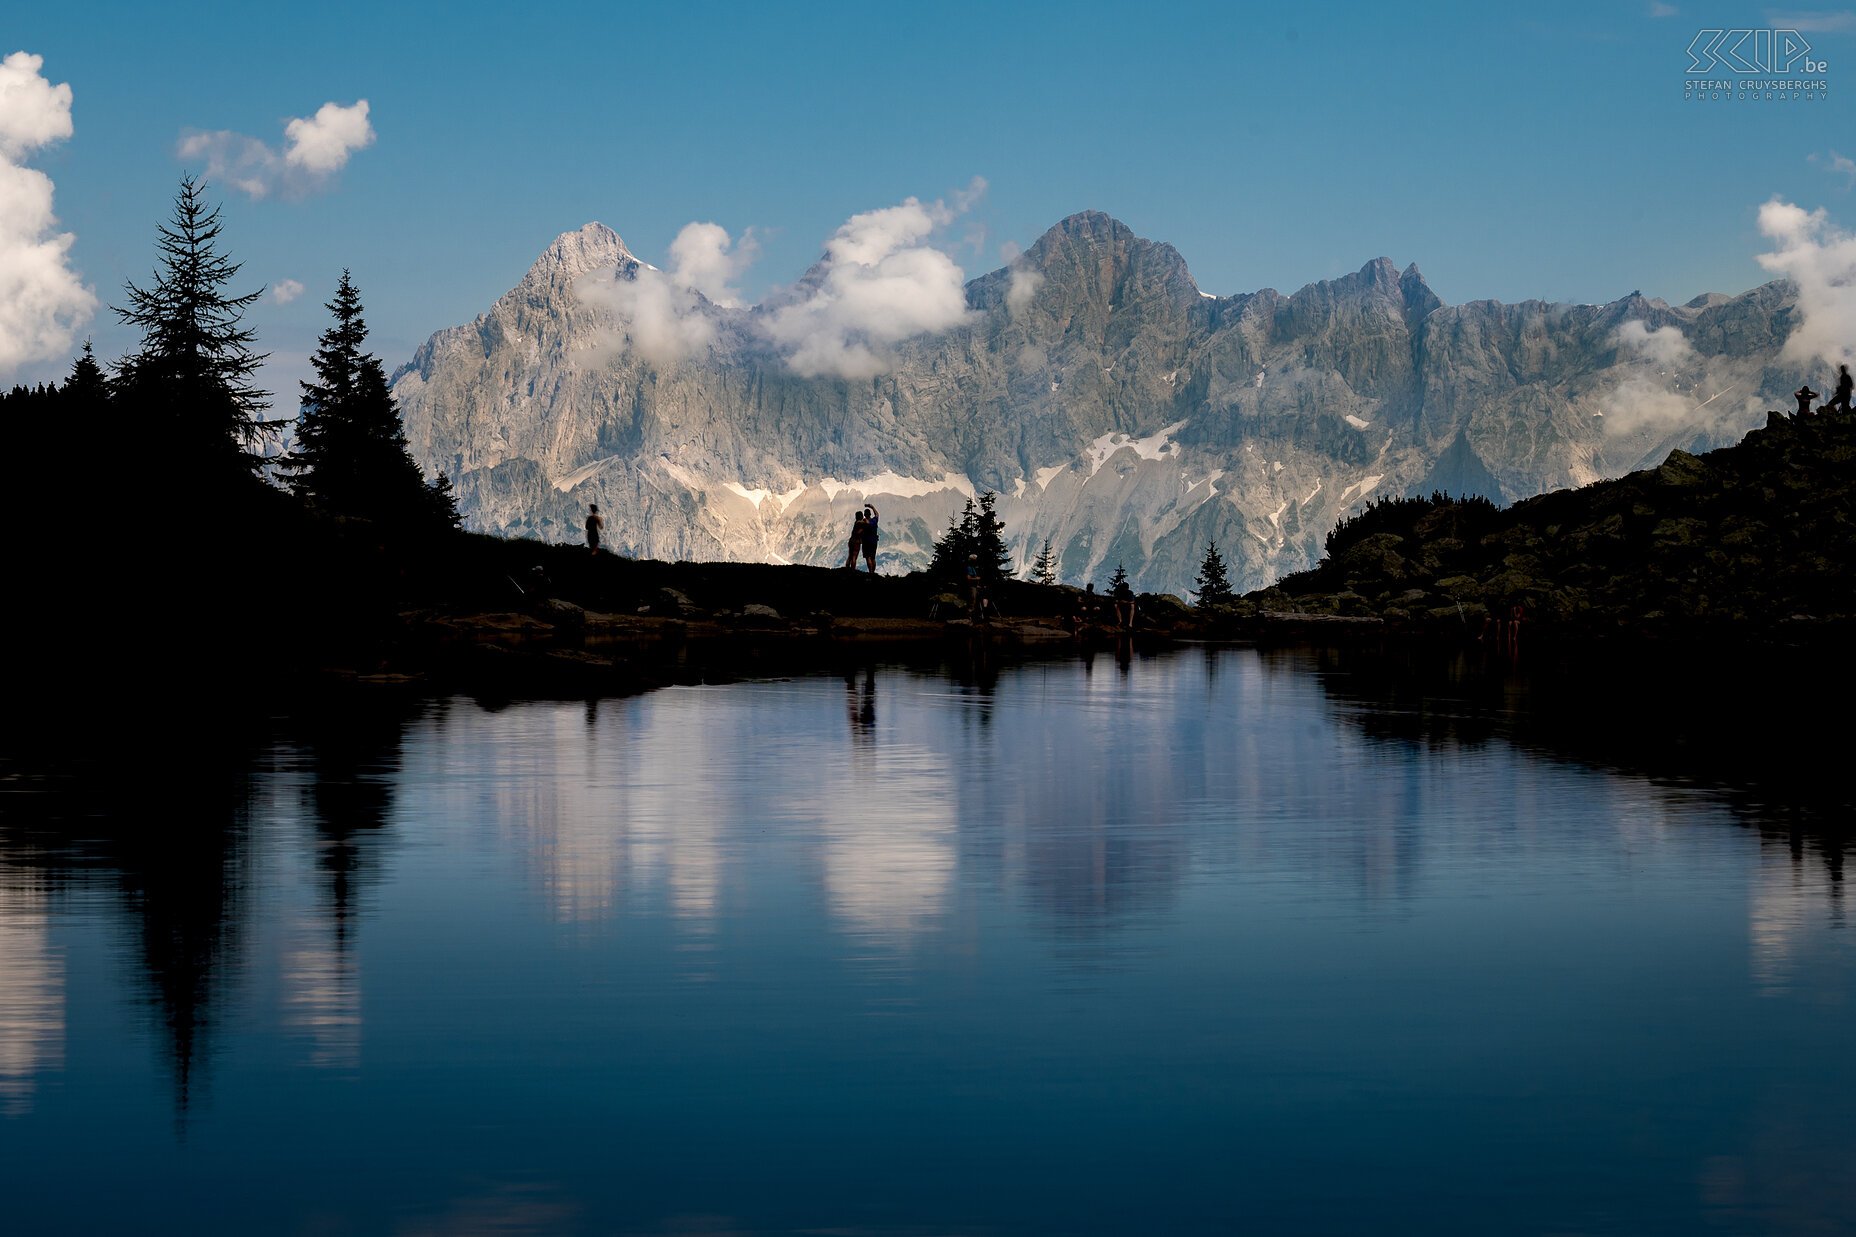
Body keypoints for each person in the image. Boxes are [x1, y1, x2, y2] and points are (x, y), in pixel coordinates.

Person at [860, 503, 880, 573]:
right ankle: (873, 572)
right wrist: (872, 507)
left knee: (868, 557)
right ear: (870, 514)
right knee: (873, 558)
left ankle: (870, 572)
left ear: (864, 515)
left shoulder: (864, 522)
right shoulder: (874, 521)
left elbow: (860, 530)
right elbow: (877, 515)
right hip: (874, 541)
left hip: (866, 542)